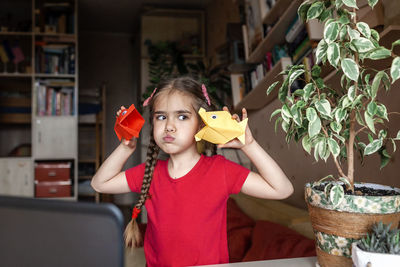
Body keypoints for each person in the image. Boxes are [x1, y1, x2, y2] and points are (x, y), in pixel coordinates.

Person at [91, 77, 294, 266]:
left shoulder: (220, 170)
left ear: (200, 124)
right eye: (161, 117)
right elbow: (99, 184)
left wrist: (249, 145)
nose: (169, 126)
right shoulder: (149, 172)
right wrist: (126, 148)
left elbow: (281, 189)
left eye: (182, 116)